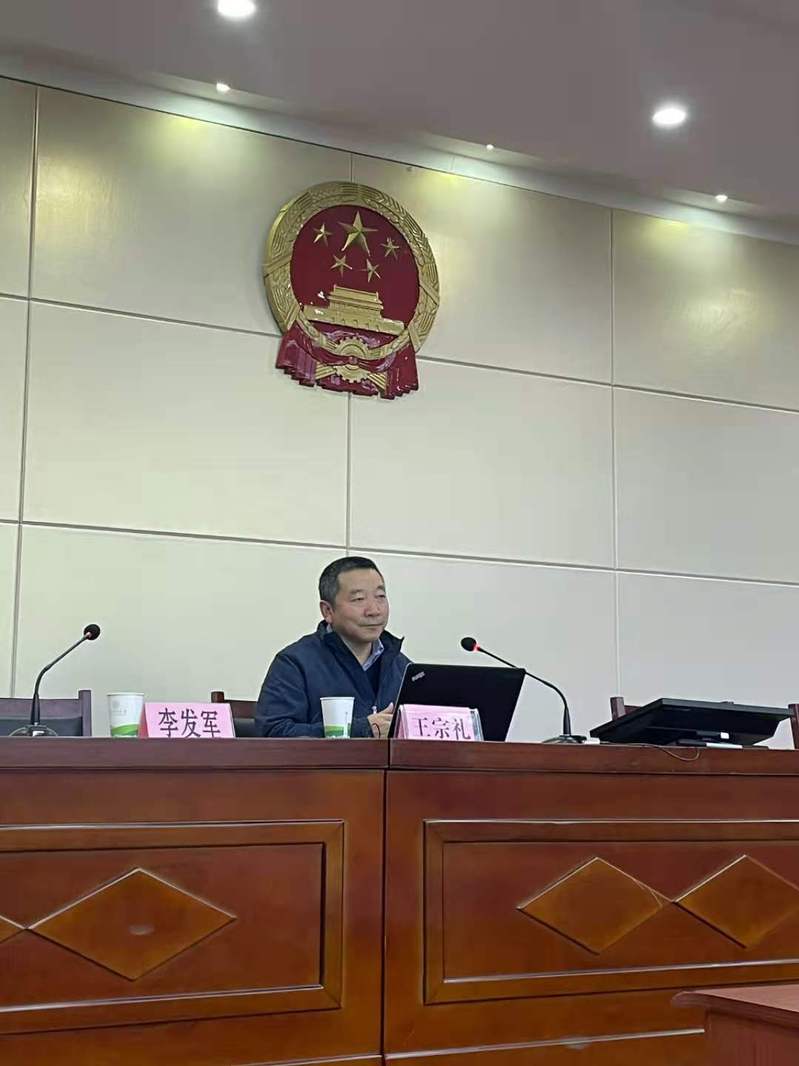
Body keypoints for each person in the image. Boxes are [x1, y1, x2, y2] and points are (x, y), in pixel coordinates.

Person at [255, 556, 410, 738]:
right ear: (328, 611)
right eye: (359, 599)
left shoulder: (404, 669)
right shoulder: (295, 663)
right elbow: (273, 733)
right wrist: (362, 730)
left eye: (380, 597)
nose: (374, 610)